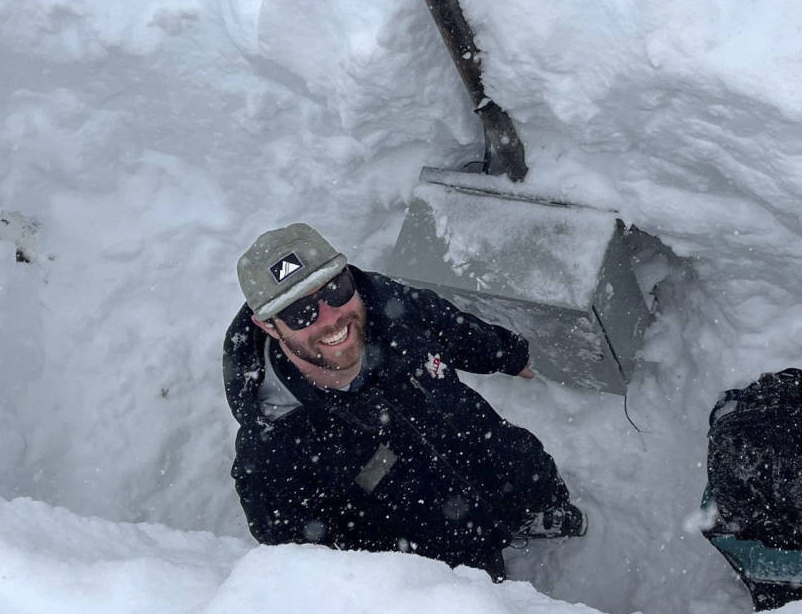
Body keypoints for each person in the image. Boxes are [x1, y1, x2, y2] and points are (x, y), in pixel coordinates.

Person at [222, 223, 584, 579]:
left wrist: (505, 352)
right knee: (482, 593)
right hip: (441, 548)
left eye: (335, 288)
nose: (333, 318)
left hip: (490, 451)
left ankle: (531, 513)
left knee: (528, 480)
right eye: (300, 313)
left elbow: (445, 322)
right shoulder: (272, 451)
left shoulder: (381, 303)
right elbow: (306, 564)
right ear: (268, 326)